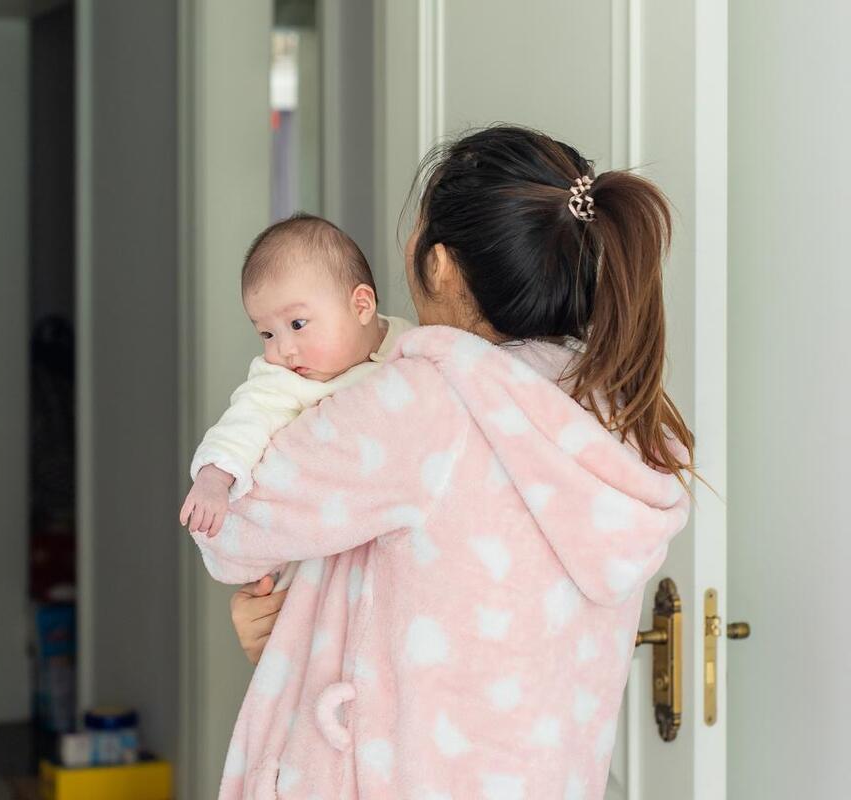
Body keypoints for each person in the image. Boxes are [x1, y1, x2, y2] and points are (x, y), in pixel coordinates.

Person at [189, 125, 695, 799]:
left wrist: (287, 625)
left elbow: (230, 534)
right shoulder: (616, 416)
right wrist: (307, 620)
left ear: (441, 266)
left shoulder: (427, 405)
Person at [180, 213, 412, 592]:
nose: (283, 349)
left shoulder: (407, 340)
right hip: (312, 551)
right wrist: (213, 478)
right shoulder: (282, 381)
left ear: (362, 306)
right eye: (266, 333)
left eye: (298, 324)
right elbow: (244, 421)